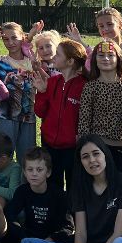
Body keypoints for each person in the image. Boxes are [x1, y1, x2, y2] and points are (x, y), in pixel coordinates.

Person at [20, 135, 122, 243]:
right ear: (80, 162)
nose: (92, 160)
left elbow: (119, 234)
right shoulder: (80, 187)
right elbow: (80, 233)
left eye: (96, 154)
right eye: (85, 156)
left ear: (105, 155)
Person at [32, 37, 89, 197]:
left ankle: (71, 212)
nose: (54, 57)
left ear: (70, 61)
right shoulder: (53, 81)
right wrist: (41, 93)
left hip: (72, 148)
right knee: (52, 185)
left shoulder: (84, 85)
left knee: (73, 185)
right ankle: (55, 211)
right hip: (49, 144)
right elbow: (40, 112)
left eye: (58, 54)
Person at [0, 21, 36, 167]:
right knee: (0, 158)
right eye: (6, 39)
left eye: (14, 37)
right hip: (5, 116)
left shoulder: (34, 62)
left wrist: (31, 37)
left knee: (27, 161)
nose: (10, 42)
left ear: (23, 37)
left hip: (28, 117)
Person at [77, 41, 122, 176]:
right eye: (101, 55)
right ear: (95, 59)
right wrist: (85, 147)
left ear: (118, 58)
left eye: (110, 55)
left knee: (121, 183)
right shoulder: (91, 87)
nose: (106, 59)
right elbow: (84, 119)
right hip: (98, 147)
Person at [3, 147, 69, 243]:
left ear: (48, 172)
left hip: (52, 241)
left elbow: (68, 226)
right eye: (30, 170)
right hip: (28, 237)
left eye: (39, 170)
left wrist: (52, 239)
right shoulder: (22, 191)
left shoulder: (58, 194)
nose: (34, 174)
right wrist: (20, 231)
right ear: (24, 172)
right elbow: (9, 213)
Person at [93, 7, 122, 79]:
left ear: (120, 25)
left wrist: (120, 51)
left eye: (109, 24)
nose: (105, 29)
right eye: (101, 26)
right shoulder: (96, 52)